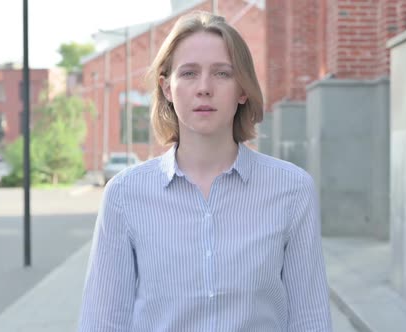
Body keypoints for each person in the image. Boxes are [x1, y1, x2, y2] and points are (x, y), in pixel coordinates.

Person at [78, 11, 332, 331]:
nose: (204, 88)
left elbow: (310, 319)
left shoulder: (292, 190)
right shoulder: (124, 195)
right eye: (188, 73)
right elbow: (103, 322)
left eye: (222, 74)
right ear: (166, 88)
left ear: (243, 90)